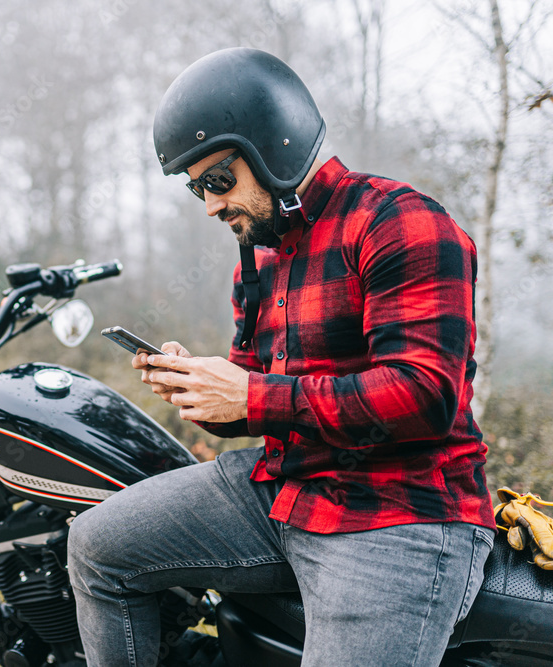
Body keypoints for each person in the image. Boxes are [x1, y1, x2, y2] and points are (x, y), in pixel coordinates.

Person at [67, 47, 497, 667]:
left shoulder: (400, 223)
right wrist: (204, 390)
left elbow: (424, 395)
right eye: (197, 190)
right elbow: (261, 397)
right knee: (95, 546)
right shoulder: (262, 253)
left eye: (219, 180)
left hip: (398, 515)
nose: (212, 205)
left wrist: (249, 394)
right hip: (286, 487)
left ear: (275, 143)